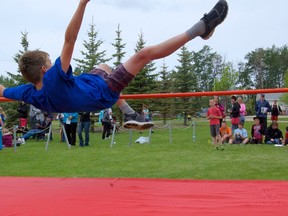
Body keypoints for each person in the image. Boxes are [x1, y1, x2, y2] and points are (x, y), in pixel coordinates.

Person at [0, 0, 228, 129]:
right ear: (44, 69)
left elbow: (3, 90)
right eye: (49, 62)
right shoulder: (53, 77)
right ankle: (201, 28)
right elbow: (70, 39)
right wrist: (82, 3)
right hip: (104, 92)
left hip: (93, 86)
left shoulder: (29, 92)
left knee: (104, 65)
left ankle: (130, 113)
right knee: (143, 54)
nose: (52, 63)